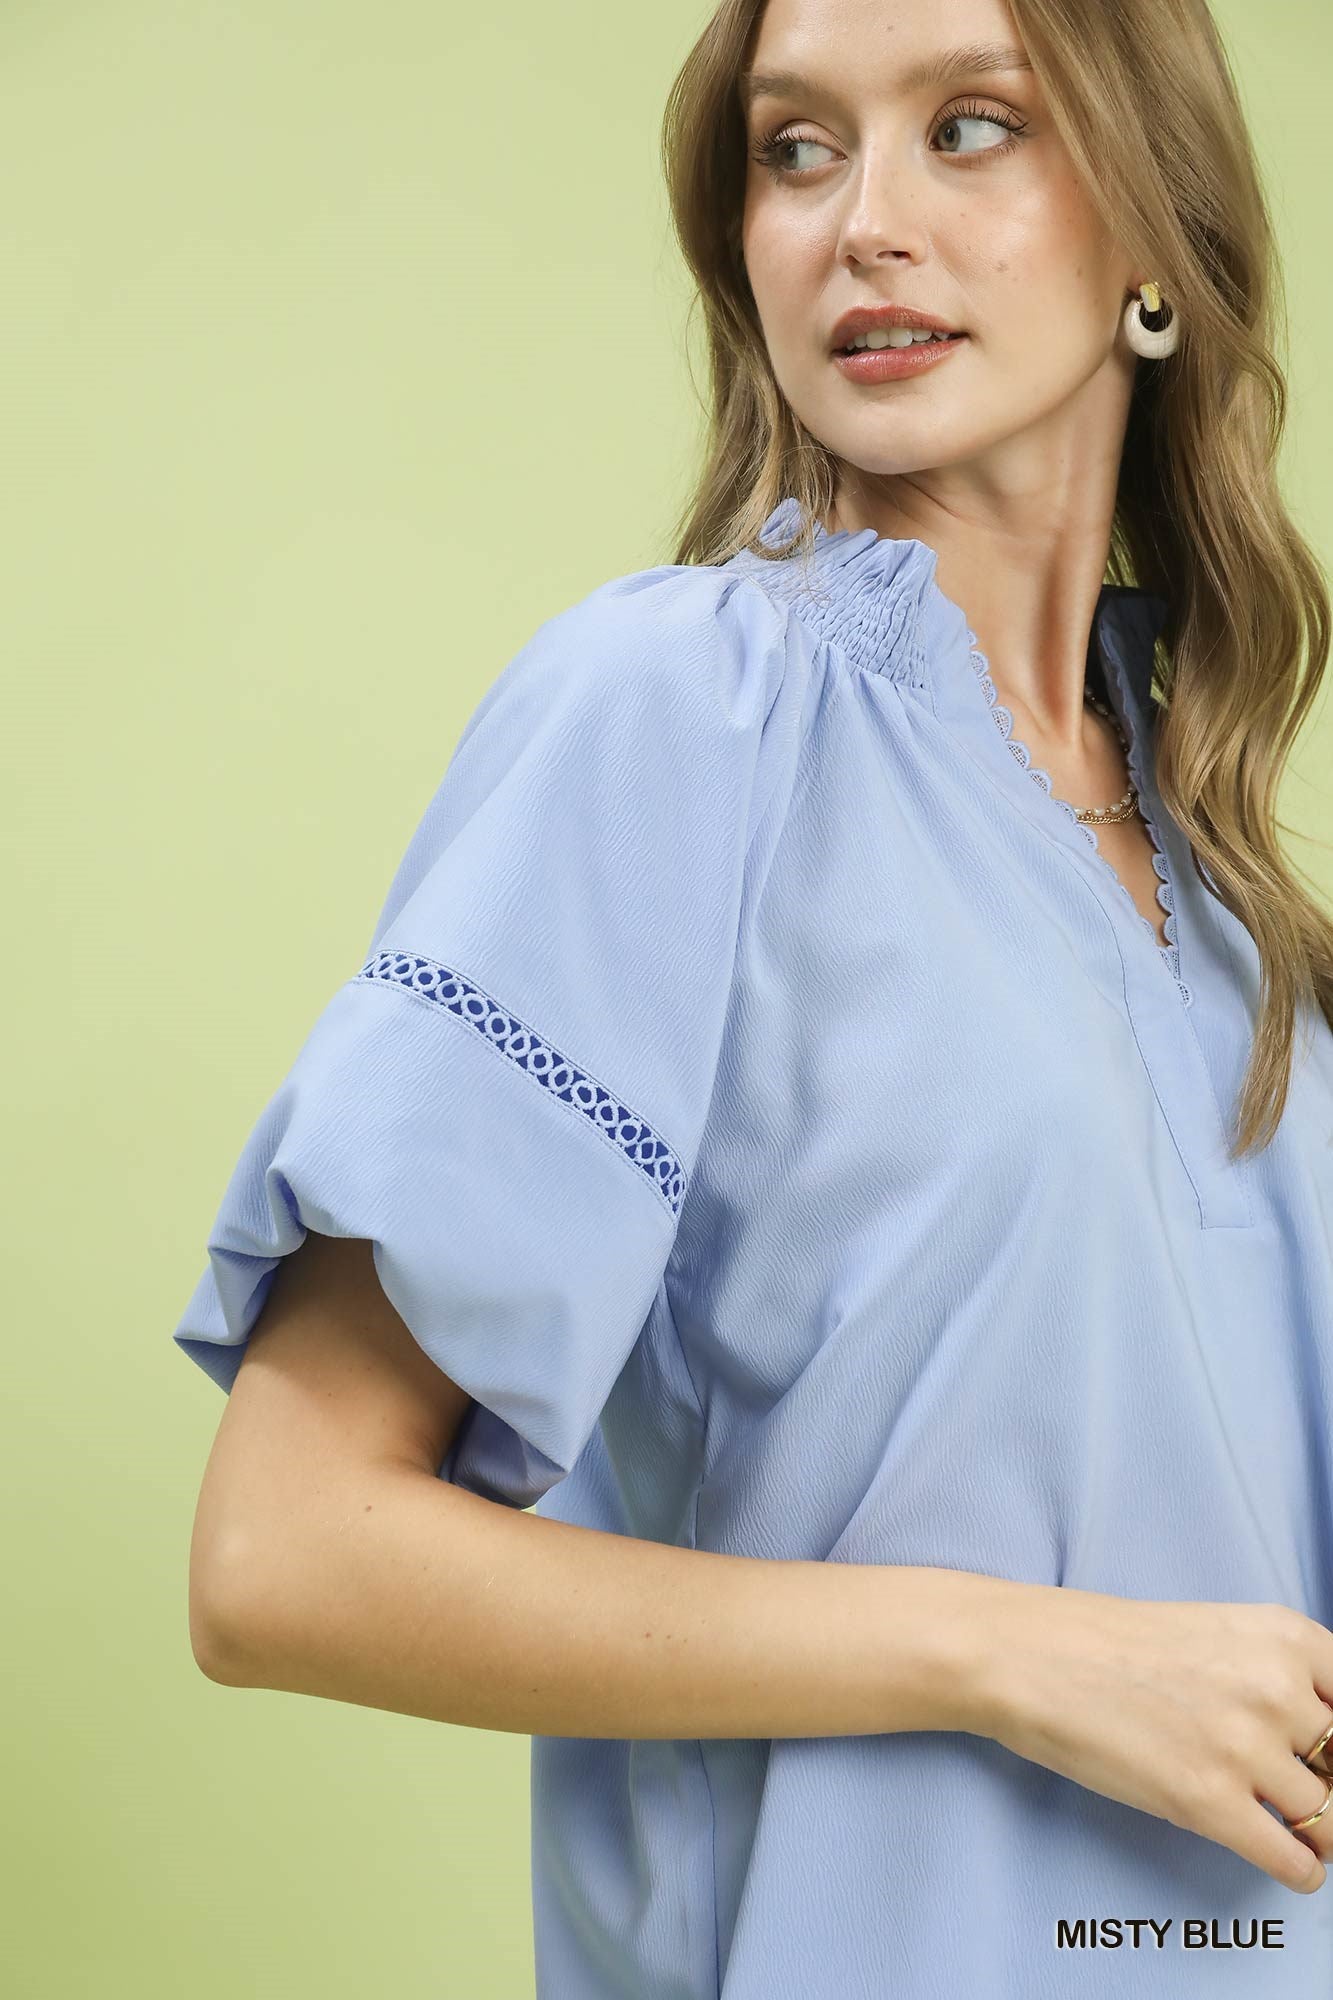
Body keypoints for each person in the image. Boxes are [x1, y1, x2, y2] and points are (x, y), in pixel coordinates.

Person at [174, 0, 1333, 1992]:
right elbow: (283, 1557)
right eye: (796, 151)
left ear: (1154, 234)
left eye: (971, 128)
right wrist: (1005, 1652)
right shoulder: (680, 715)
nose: (861, 221)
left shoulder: (1223, 867)